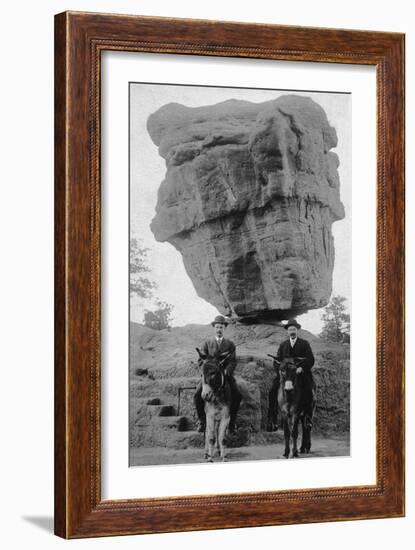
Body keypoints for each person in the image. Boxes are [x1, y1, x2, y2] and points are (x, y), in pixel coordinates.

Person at [194, 315, 242, 434]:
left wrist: (227, 371)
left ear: (224, 328)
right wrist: (206, 370)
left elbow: (232, 361)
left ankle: (232, 423)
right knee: (197, 395)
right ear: (214, 328)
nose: (219, 329)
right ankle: (201, 421)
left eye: (221, 327)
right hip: (209, 376)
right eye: (217, 327)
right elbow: (200, 361)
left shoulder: (230, 344)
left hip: (224, 375)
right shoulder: (207, 343)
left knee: (237, 394)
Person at [267, 319, 315, 430]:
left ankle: (308, 416)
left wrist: (302, 368)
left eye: (294, 329)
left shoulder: (304, 344)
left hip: (300, 373)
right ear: (287, 331)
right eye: (290, 329)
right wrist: (280, 370)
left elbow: (311, 359)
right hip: (286, 375)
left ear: (297, 330)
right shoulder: (283, 345)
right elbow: (277, 360)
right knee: (273, 390)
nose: (292, 331)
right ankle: (272, 419)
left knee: (309, 389)